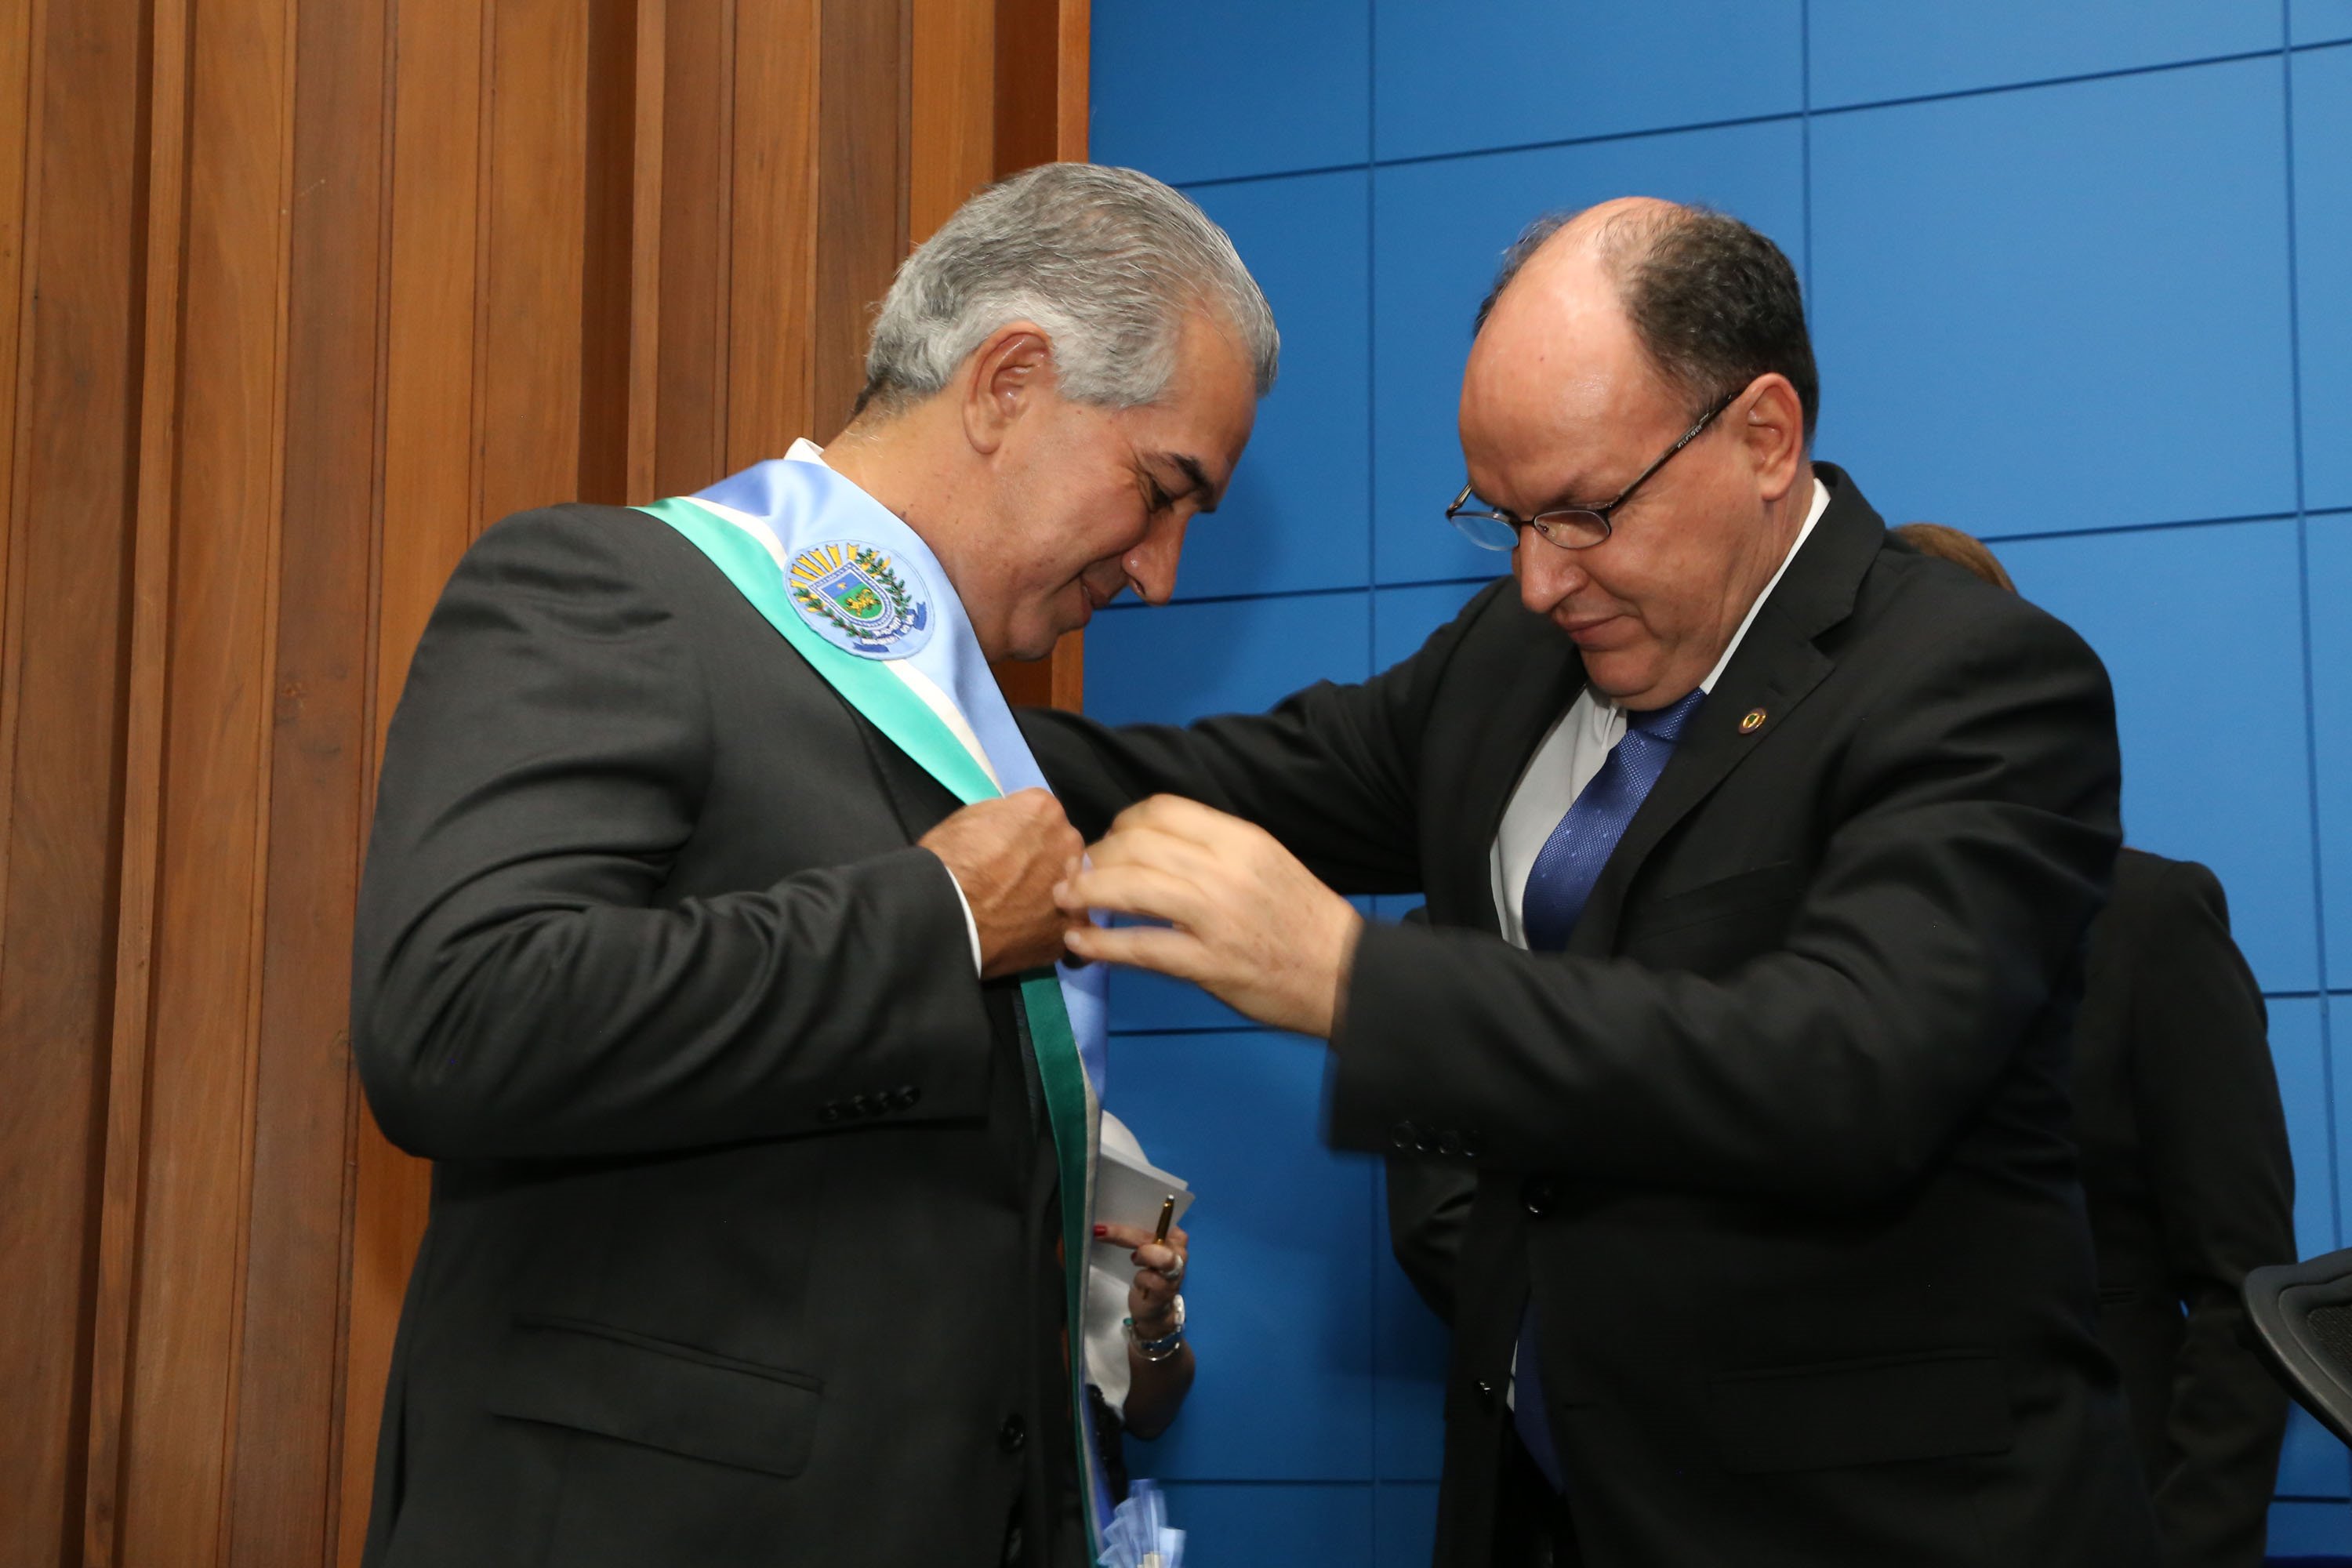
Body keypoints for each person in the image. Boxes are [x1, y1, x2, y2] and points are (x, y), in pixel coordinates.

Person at [1026, 198, 2161, 1566]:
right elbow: (1215, 776)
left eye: (1581, 513)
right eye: (1503, 519)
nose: (1537, 581)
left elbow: (1847, 1069)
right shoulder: (1506, 667)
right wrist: (886, 682)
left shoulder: (1972, 680)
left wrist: (1351, 982)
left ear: (1764, 436)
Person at [348, 162, 1274, 1568]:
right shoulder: (618, 595)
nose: (1161, 573)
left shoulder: (990, 748)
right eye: (1158, 491)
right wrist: (942, 919)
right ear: (1009, 382)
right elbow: (453, 1016)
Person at [1893, 521, 2295, 1568]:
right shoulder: (1802, 950)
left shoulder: (2148, 920)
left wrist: (2192, 1547)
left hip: (2107, 1511)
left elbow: (2246, 1288)